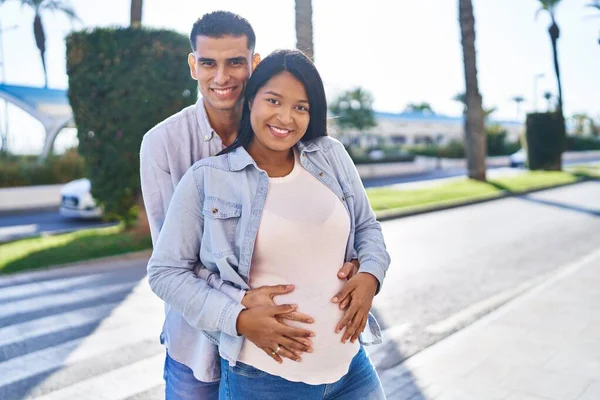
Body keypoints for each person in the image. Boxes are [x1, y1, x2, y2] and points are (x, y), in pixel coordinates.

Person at [147, 49, 390, 400]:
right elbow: (166, 272)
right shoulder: (209, 179)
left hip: (352, 371)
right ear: (250, 103)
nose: (286, 117)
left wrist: (371, 275)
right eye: (273, 100)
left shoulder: (330, 155)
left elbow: (367, 227)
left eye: (301, 107)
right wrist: (238, 318)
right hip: (264, 379)